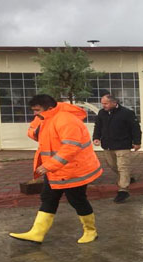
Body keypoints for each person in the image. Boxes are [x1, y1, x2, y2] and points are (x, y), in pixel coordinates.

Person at [9, 94, 103, 244]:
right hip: (56, 170)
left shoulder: (66, 120)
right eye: (33, 110)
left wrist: (48, 166)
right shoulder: (46, 117)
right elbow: (34, 134)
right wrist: (38, 121)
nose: (34, 114)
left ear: (50, 108)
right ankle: (37, 233)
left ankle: (90, 231)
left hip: (74, 171)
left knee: (77, 200)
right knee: (48, 198)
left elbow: (70, 148)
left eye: (37, 110)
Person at [93, 94, 142, 203]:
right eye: (102, 103)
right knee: (112, 165)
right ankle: (129, 177)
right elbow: (98, 126)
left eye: (105, 103)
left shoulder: (127, 113)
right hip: (108, 145)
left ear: (114, 103)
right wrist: (96, 137)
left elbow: (135, 128)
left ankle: (123, 190)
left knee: (122, 166)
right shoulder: (102, 113)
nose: (103, 105)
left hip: (123, 144)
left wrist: (137, 142)